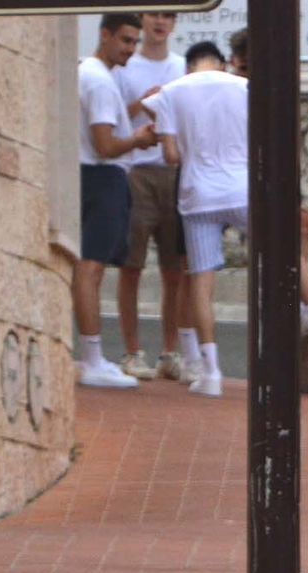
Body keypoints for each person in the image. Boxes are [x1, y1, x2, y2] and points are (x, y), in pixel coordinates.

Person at [143, 27, 308, 399]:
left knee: (201, 282)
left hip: (198, 193)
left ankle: (210, 371)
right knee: (285, 249)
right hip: (243, 188)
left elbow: (171, 156)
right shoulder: (249, 92)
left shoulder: (174, 92)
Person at [74, 13, 158, 389]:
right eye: (125, 40)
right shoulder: (100, 82)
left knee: (87, 269)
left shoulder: (87, 73)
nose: (131, 49)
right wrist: (139, 140)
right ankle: (92, 360)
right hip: (103, 177)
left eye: (135, 42)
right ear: (104, 35)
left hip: (87, 176)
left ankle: (92, 356)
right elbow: (106, 145)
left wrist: (135, 111)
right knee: (91, 270)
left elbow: (105, 126)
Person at [112, 11, 188, 382]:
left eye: (168, 15)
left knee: (175, 269)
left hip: (173, 170)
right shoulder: (127, 66)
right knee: (132, 265)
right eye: (155, 14)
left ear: (175, 23)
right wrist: (140, 105)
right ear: (143, 19)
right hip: (136, 170)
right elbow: (110, 118)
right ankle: (131, 350)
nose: (160, 22)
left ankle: (170, 352)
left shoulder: (180, 66)